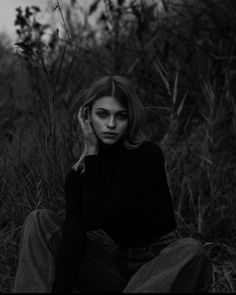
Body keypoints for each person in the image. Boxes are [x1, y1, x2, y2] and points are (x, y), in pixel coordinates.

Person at [12, 75, 213, 293]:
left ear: (130, 119)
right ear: (87, 116)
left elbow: (97, 217)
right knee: (39, 220)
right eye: (102, 114)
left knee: (193, 250)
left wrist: (91, 154)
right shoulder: (79, 174)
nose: (110, 124)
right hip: (115, 271)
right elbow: (74, 237)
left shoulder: (146, 156)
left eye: (120, 116)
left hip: (160, 266)